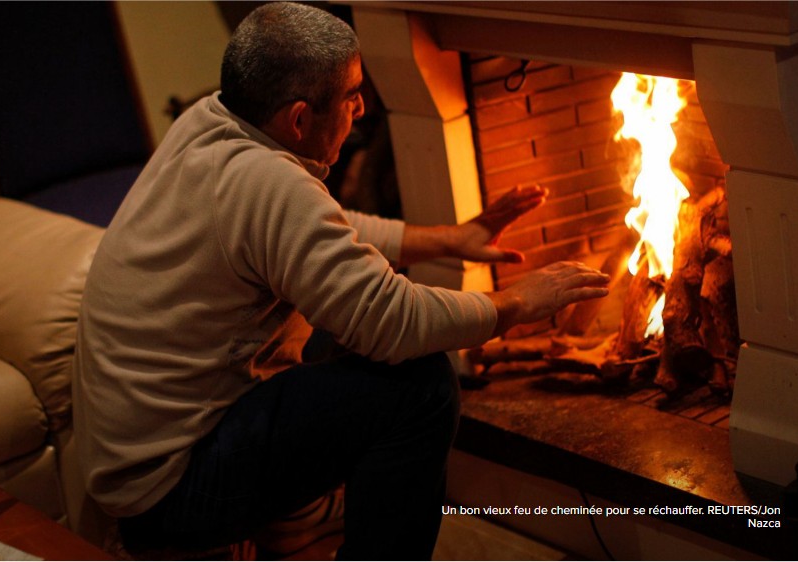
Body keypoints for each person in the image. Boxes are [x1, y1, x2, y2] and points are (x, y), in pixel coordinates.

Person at [72, 2, 610, 560]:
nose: (362, 106)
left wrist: (450, 239)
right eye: (352, 94)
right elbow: (392, 322)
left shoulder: (213, 122)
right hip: (170, 491)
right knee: (421, 386)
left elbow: (317, 230)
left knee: (341, 328)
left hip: (135, 462)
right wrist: (515, 302)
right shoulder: (263, 181)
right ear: (300, 120)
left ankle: (297, 522)